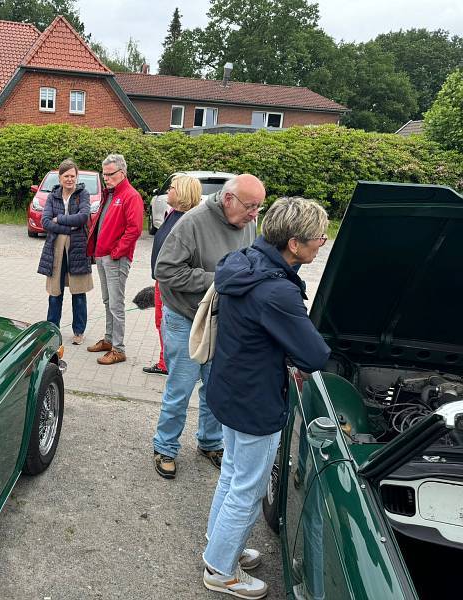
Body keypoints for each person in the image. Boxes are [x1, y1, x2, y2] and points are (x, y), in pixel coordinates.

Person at [201, 197, 331, 599]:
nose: (322, 242)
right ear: (294, 244)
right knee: (249, 487)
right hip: (255, 400)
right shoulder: (276, 291)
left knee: (233, 474)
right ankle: (221, 570)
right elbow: (315, 355)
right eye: (318, 237)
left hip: (229, 388)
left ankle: (220, 546)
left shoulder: (243, 262)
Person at [152, 174, 263, 479]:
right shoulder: (192, 222)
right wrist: (217, 279)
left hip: (222, 319)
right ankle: (165, 447)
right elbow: (165, 271)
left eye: (259, 207)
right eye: (251, 206)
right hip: (185, 318)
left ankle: (210, 442)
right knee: (180, 389)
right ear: (228, 199)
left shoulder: (248, 222)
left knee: (216, 388)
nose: (255, 214)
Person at [85, 154, 144, 365]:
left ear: (122, 173)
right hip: (102, 256)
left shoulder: (131, 196)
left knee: (116, 304)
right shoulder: (110, 194)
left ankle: (118, 349)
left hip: (115, 258)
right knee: (108, 301)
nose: (106, 178)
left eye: (110, 174)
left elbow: (134, 229)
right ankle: (109, 340)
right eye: (104, 174)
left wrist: (117, 252)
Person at [143, 174, 201, 376]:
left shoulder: (189, 220)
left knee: (169, 324)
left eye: (172, 188)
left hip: (173, 284)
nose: (168, 191)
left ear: (183, 192)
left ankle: (172, 364)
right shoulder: (173, 213)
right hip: (162, 280)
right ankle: (164, 362)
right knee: (161, 322)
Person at [37, 159, 93, 344]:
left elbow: (83, 217)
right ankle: (52, 331)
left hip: (77, 248)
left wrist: (59, 219)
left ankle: (79, 332)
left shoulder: (83, 194)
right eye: (66, 176)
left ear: (77, 177)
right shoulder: (52, 196)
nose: (70, 179)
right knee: (55, 293)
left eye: (72, 176)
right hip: (56, 248)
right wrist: (69, 228)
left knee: (78, 293)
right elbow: (45, 222)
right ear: (60, 178)